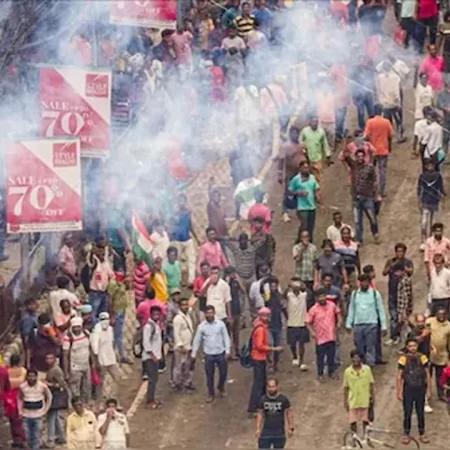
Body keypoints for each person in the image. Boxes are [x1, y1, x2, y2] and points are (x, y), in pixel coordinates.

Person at [191, 305, 231, 403]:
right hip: (208, 354)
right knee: (209, 375)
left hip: (220, 352)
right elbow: (197, 340)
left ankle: (221, 386)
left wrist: (227, 350)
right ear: (205, 314)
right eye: (207, 313)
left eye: (211, 312)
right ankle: (211, 393)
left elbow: (226, 337)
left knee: (223, 373)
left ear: (214, 313)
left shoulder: (220, 324)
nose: (209, 315)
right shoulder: (201, 327)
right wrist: (193, 354)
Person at [346, 274, 387, 367]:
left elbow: (381, 310)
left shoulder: (375, 294)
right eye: (362, 281)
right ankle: (362, 362)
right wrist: (349, 323)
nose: (364, 283)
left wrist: (383, 326)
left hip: (371, 324)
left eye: (366, 281)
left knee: (370, 346)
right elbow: (352, 309)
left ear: (369, 282)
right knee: (359, 345)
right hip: (358, 324)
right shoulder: (355, 294)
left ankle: (369, 365)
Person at [248, 307, 282, 415]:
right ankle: (254, 407)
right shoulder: (261, 329)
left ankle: (260, 405)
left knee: (261, 383)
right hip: (259, 358)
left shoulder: (259, 326)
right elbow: (259, 346)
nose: (267, 318)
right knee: (258, 384)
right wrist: (274, 349)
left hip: (259, 358)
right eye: (265, 316)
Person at [342, 147, 380, 245]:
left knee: (372, 218)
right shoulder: (353, 166)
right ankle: (359, 239)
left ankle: (375, 234)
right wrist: (346, 142)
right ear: (355, 157)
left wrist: (376, 195)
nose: (360, 158)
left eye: (362, 156)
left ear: (365, 157)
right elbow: (345, 155)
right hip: (356, 198)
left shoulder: (370, 167)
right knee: (357, 220)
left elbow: (374, 181)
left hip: (367, 196)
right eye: (358, 156)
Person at [397, 339, 431, 445]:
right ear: (407, 347)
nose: (412, 348)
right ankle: (406, 434)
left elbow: (427, 375)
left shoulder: (423, 357)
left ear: (417, 346)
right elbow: (399, 376)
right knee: (407, 412)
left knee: (420, 412)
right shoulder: (403, 359)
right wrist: (399, 391)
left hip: (420, 388)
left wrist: (429, 390)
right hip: (408, 389)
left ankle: (422, 433)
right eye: (410, 346)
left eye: (414, 346)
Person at [306, 288, 342, 381]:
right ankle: (320, 374)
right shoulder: (313, 309)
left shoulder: (332, 305)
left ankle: (331, 372)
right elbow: (307, 322)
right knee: (320, 358)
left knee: (331, 356)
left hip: (331, 336)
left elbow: (338, 313)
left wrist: (339, 323)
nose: (322, 298)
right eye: (319, 297)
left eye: (323, 296)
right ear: (316, 298)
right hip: (320, 338)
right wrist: (312, 332)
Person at [382, 243, 414, 346]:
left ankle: (405, 337)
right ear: (395, 252)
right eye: (398, 251)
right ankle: (394, 337)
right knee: (393, 316)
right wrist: (390, 267)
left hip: (403, 293)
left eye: (402, 251)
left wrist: (404, 269)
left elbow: (411, 272)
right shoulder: (391, 261)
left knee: (404, 316)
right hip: (392, 292)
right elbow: (384, 272)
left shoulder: (407, 262)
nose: (400, 253)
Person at [277, 126, 307, 223]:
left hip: (300, 173)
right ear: (290, 134)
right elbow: (281, 161)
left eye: (297, 133)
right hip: (290, 173)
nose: (295, 135)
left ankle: (300, 209)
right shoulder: (285, 146)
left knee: (301, 191)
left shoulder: (302, 145)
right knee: (288, 192)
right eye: (293, 133)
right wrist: (280, 174)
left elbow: (306, 157)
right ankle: (285, 212)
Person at [18, 369, 53, 450]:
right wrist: (20, 410)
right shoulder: (22, 386)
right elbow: (19, 398)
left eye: (33, 376)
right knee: (27, 435)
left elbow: (49, 397)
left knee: (36, 436)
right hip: (26, 415)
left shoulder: (42, 386)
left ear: (36, 377)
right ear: (26, 377)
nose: (31, 378)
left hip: (38, 415)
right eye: (29, 376)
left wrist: (45, 410)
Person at [288, 161, 322, 242]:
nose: (306, 170)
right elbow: (289, 191)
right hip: (301, 207)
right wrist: (298, 193)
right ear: (300, 169)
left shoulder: (312, 178)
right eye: (304, 168)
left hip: (312, 206)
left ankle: (310, 242)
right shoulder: (296, 179)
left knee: (311, 226)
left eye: (307, 168)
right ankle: (300, 241)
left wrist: (319, 201)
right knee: (304, 225)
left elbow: (316, 189)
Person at [364, 104, 394, 196]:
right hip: (383, 150)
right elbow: (390, 136)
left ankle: (371, 189)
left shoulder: (370, 122)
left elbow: (367, 136)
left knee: (370, 170)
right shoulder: (386, 122)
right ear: (382, 111)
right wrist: (389, 147)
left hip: (372, 150)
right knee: (382, 171)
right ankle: (382, 191)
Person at [343, 349, 374, 436]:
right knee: (353, 421)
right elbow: (346, 387)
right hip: (353, 399)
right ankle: (354, 438)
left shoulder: (367, 369)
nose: (355, 360)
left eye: (357, 358)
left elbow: (371, 384)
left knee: (366, 420)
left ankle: (366, 437)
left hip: (365, 397)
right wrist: (345, 401)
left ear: (361, 359)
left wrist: (372, 397)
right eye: (353, 358)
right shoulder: (347, 372)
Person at [256, 378, 294, 450]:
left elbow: (289, 413)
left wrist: (291, 428)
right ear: (267, 387)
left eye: (273, 386)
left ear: (277, 387)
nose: (271, 389)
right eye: (269, 387)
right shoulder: (263, 399)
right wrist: (258, 428)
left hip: (279, 433)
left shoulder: (283, 399)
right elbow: (260, 414)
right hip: (265, 433)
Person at [90, 312, 120, 400]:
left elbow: (112, 343)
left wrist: (116, 355)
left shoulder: (110, 329)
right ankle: (101, 402)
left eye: (106, 319)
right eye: (103, 319)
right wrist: (96, 363)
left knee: (117, 378)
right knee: (100, 383)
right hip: (101, 361)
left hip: (111, 359)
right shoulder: (96, 332)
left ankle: (113, 398)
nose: (105, 321)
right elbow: (94, 350)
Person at [62, 317, 91, 403]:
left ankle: (86, 403)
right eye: (74, 327)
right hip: (75, 367)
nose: (77, 329)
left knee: (87, 386)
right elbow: (65, 355)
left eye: (78, 327)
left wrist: (93, 363)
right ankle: (76, 404)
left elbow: (90, 348)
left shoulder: (86, 334)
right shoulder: (68, 338)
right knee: (75, 387)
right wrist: (66, 372)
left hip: (86, 365)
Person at [418, 158, 445, 247]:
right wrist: (419, 201)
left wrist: (443, 199)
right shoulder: (422, 176)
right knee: (424, 223)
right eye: (428, 165)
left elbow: (441, 188)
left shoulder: (438, 176)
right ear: (425, 166)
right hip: (425, 201)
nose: (430, 167)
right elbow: (419, 189)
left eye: (432, 165)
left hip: (435, 201)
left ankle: (431, 240)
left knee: (433, 223)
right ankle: (423, 241)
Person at [170, 193, 195, 287]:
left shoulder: (188, 212)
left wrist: (196, 237)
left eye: (183, 200)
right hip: (177, 240)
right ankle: (180, 280)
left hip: (187, 238)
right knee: (178, 261)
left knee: (191, 260)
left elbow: (190, 225)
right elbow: (171, 226)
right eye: (180, 200)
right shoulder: (175, 213)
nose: (181, 202)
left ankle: (191, 281)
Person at [285, 278, 310, 370]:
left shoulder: (303, 296)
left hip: (302, 323)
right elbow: (284, 294)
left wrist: (302, 285)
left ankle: (302, 361)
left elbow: (309, 292)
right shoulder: (289, 295)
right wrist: (289, 285)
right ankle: (295, 356)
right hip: (291, 323)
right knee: (292, 344)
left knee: (301, 344)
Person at [426, 308, 450, 401]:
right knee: (427, 375)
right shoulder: (430, 322)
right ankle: (426, 395)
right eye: (439, 314)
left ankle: (441, 394)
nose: (441, 316)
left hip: (442, 354)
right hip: (430, 354)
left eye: (443, 314)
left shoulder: (448, 326)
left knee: (440, 376)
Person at [142, 305, 163, 409]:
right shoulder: (149, 327)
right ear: (150, 314)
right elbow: (146, 343)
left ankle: (152, 399)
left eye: (157, 314)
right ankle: (149, 401)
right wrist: (153, 355)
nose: (156, 316)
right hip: (150, 357)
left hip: (155, 356)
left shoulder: (156, 325)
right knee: (152, 379)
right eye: (154, 314)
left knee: (155, 379)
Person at [376, 63, 403, 142]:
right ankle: (398, 136)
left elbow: (379, 90)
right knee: (398, 121)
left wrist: (380, 100)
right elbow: (397, 91)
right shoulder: (395, 77)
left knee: (388, 121)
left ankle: (388, 137)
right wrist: (399, 102)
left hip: (385, 103)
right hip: (394, 103)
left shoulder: (380, 77)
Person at [172, 298, 194, 392]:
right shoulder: (177, 319)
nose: (185, 306)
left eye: (186, 305)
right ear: (179, 306)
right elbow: (176, 333)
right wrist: (181, 345)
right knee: (179, 366)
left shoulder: (187, 315)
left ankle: (187, 382)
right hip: (181, 347)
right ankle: (177, 383)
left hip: (188, 345)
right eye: (183, 305)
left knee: (188, 366)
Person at [45, 353, 67, 447]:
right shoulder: (51, 369)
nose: (49, 360)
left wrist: (48, 384)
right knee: (56, 417)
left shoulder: (56, 370)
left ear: (54, 359)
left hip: (55, 396)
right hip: (53, 395)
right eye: (47, 358)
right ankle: (61, 436)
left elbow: (62, 384)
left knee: (51, 417)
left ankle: (50, 440)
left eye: (51, 358)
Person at [299, 117, 331, 183]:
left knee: (318, 177)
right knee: (308, 176)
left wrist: (328, 155)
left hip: (318, 158)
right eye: (313, 122)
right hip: (307, 158)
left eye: (316, 122)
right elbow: (300, 141)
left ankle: (317, 190)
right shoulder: (305, 131)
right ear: (309, 123)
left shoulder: (321, 132)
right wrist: (303, 149)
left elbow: (325, 144)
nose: (315, 124)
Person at [87, 246, 115, 321]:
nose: (102, 254)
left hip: (105, 292)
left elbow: (112, 275)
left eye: (103, 253)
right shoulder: (95, 263)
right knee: (93, 313)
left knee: (103, 314)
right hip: (95, 293)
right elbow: (91, 261)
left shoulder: (106, 263)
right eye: (99, 253)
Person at [224, 267, 245, 358]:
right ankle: (229, 352)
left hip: (237, 309)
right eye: (231, 274)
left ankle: (237, 350)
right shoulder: (224, 284)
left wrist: (239, 281)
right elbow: (224, 293)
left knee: (236, 332)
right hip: (229, 311)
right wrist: (227, 282)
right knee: (228, 333)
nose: (232, 275)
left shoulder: (236, 282)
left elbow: (243, 291)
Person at [5, 353, 26, 447]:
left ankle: (15, 438)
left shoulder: (7, 371)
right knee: (20, 418)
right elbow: (23, 381)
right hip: (20, 394)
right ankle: (21, 438)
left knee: (12, 419)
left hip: (9, 396)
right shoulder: (23, 371)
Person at [265, 277, 286, 372]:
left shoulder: (280, 296)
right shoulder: (267, 297)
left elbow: (283, 308)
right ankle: (270, 363)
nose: (273, 288)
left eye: (275, 286)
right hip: (268, 325)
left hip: (277, 323)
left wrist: (287, 318)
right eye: (271, 286)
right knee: (269, 345)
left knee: (277, 345)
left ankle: (275, 364)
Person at [221, 25, 246, 93]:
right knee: (230, 83)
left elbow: (244, 52)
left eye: (233, 30)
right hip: (229, 65)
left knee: (239, 81)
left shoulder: (240, 40)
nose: (231, 32)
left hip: (238, 64)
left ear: (236, 31)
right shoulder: (225, 40)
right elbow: (223, 51)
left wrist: (236, 49)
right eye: (230, 31)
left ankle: (240, 94)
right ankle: (231, 97)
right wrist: (228, 49)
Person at [20, 298, 38, 369]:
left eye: (34, 304)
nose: (33, 306)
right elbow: (26, 337)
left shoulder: (33, 316)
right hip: (30, 346)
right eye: (30, 305)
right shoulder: (27, 319)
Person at [436, 80, 450, 156]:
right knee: (445, 138)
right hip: (446, 119)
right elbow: (438, 104)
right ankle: (444, 156)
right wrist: (445, 108)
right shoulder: (441, 94)